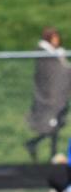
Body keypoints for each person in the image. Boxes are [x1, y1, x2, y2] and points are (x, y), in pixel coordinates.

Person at [25, 27, 71, 164]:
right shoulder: (44, 54)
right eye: (54, 38)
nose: (57, 41)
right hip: (49, 97)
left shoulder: (57, 54)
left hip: (59, 97)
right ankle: (39, 147)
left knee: (56, 126)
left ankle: (51, 153)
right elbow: (53, 74)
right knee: (51, 125)